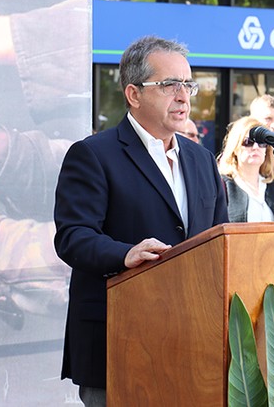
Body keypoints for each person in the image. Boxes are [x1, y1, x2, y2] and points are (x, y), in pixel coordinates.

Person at [53, 36, 229, 405]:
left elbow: (220, 238)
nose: (183, 97)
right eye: (170, 85)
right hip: (119, 342)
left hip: (194, 343)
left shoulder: (201, 160)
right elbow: (73, 236)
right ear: (133, 94)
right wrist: (125, 254)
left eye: (188, 85)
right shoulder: (93, 155)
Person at [218, 116, 274, 223]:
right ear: (235, 148)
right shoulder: (220, 187)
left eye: (261, 142)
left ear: (266, 150)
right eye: (248, 142)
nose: (255, 147)